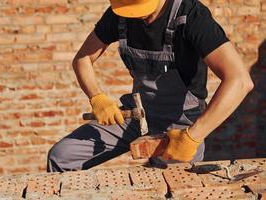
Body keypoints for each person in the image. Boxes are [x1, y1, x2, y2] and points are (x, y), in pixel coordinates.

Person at [47, 0, 253, 172]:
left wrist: (193, 136)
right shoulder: (121, 12)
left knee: (173, 184)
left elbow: (240, 80)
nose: (136, 17)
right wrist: (97, 98)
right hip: (137, 114)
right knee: (62, 156)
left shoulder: (191, 15)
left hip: (182, 127)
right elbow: (82, 59)